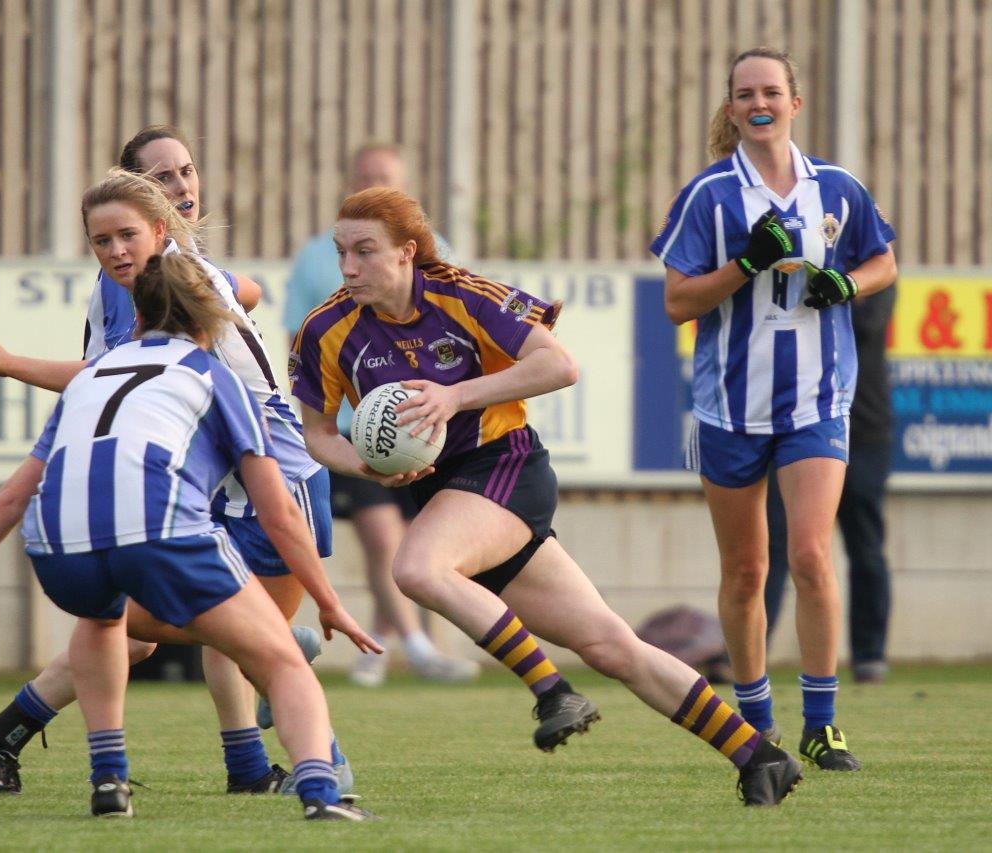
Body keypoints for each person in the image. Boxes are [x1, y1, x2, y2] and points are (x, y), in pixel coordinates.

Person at [291, 186, 802, 806]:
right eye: (342, 251)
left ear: (407, 251)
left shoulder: (461, 293)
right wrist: (366, 467)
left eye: (365, 251)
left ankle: (552, 691)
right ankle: (759, 756)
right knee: (613, 646)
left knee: (417, 568)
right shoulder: (328, 329)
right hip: (449, 498)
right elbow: (318, 433)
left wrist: (456, 395)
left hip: (505, 467)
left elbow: (558, 366)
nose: (348, 267)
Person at [0, 142, 354, 797]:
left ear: (155, 225)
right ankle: (320, 780)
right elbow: (122, 371)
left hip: (259, 460)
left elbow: (163, 347)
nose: (180, 186)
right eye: (161, 177)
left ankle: (23, 740)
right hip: (212, 465)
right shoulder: (136, 280)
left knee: (169, 628)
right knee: (246, 639)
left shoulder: (178, 276)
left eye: (185, 171)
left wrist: (10, 362)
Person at [650, 47, 897, 771]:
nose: (758, 102)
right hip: (730, 406)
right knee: (746, 571)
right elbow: (676, 302)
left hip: (818, 400)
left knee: (813, 555)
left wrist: (846, 286)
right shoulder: (709, 197)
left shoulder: (839, 188)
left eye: (770, 91)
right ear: (730, 109)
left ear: (795, 101)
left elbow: (883, 260)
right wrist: (745, 265)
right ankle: (756, 722)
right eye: (744, 93)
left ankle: (822, 721)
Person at [283, 142, 475, 687]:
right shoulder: (317, 257)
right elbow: (297, 340)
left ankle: (384, 642)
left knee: (423, 549)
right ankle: (413, 645)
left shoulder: (439, 254)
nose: (352, 267)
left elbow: (465, 335)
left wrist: (451, 401)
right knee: (381, 535)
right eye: (367, 177)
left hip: (430, 429)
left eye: (387, 178)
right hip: (355, 428)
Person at [765, 285, 897, 683]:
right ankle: (751, 651)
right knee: (774, 544)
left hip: (864, 429)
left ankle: (869, 655)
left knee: (865, 545)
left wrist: (825, 290)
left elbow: (865, 324)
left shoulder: (874, 266)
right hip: (797, 427)